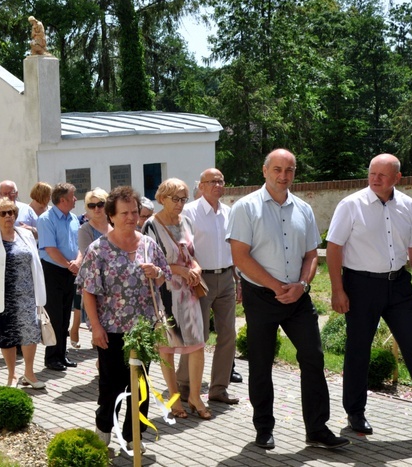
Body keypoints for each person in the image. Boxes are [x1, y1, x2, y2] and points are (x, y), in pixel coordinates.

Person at [226, 148, 349, 450]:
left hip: (298, 297)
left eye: (289, 170)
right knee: (260, 362)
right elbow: (240, 256)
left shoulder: (304, 209)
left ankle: (317, 429)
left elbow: (311, 255)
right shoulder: (245, 207)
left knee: (314, 357)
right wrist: (276, 285)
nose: (283, 176)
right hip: (261, 297)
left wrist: (302, 285)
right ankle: (263, 428)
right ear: (265, 170)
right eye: (277, 169)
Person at [326, 153, 412, 438]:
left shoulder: (408, 206)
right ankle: (355, 412)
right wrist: (337, 289)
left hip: (399, 286)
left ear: (397, 178)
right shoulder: (350, 205)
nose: (376, 179)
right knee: (358, 350)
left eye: (382, 175)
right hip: (360, 285)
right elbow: (333, 248)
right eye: (372, 173)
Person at [76, 186, 170, 451]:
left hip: (143, 331)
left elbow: (163, 278)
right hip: (111, 330)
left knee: (140, 387)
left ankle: (133, 436)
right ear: (112, 216)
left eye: (134, 212)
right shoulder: (99, 249)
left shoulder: (149, 245)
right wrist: (95, 327)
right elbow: (88, 291)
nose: (131, 217)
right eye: (125, 213)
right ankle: (104, 427)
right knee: (111, 386)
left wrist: (156, 274)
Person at [142, 178, 210, 420]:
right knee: (167, 348)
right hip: (165, 292)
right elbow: (149, 262)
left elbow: (192, 256)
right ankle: (173, 398)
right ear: (162, 198)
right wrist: (181, 270)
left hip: (189, 293)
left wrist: (197, 269)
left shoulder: (187, 221)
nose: (180, 204)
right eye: (175, 199)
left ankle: (194, 396)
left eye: (184, 199)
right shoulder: (151, 225)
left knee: (197, 345)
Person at [179, 168, 240, 405]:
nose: (217, 185)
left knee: (228, 334)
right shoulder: (190, 212)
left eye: (220, 181)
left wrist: (238, 278)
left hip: (226, 277)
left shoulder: (229, 212)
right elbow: (183, 248)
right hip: (199, 280)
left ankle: (219, 388)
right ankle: (184, 385)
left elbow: (233, 248)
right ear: (201, 186)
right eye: (211, 181)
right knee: (197, 335)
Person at [0, 198, 46, 388]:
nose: (8, 216)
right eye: (3, 213)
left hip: (28, 295)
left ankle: (29, 374)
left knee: (30, 333)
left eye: (11, 212)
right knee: (7, 336)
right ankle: (12, 375)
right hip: (1, 295)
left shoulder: (26, 234)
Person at [38, 183, 81, 372]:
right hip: (53, 270)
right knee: (54, 315)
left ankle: (62, 354)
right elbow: (50, 249)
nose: (75, 199)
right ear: (62, 199)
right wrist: (69, 264)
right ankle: (52, 357)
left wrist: (77, 262)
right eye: (73, 196)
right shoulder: (46, 219)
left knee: (65, 315)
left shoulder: (73, 219)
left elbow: (79, 245)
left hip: (70, 271)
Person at [72, 187, 112, 348]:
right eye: (91, 205)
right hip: (97, 283)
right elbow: (88, 256)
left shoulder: (115, 225)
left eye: (100, 204)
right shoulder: (85, 229)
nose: (96, 208)